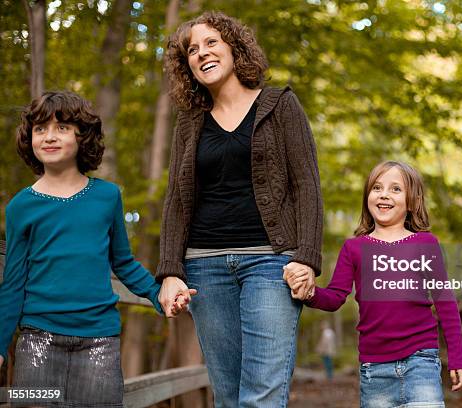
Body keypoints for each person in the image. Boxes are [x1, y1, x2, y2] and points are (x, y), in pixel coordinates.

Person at [156, 11, 323, 408]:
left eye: (211, 42)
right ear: (187, 67)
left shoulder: (280, 104)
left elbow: (307, 185)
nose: (202, 53)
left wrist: (308, 259)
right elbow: (176, 200)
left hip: (271, 263)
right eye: (192, 50)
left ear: (234, 47)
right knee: (229, 397)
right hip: (204, 268)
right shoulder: (189, 122)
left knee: (262, 397)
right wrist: (170, 272)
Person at [0, 91, 190, 407]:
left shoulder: (107, 196)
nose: (49, 136)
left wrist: (158, 294)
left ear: (82, 136)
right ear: (30, 137)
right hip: (36, 343)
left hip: (99, 344)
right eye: (40, 129)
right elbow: (13, 283)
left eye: (61, 128)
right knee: (28, 403)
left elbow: (124, 262)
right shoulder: (21, 206)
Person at [285, 160, 462, 408]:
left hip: (421, 359)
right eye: (377, 187)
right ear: (367, 196)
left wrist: (457, 358)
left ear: (412, 201)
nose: (384, 194)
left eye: (395, 189)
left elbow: (445, 303)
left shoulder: (425, 244)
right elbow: (336, 297)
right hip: (375, 368)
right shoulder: (354, 248)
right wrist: (309, 293)